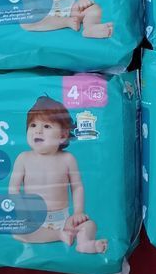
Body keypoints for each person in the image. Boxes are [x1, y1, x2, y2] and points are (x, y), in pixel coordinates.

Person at [8, 96, 108, 253]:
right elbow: (13, 188)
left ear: (62, 136)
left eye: (46, 126)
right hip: (34, 218)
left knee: (90, 225)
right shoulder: (23, 158)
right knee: (18, 231)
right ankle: (59, 235)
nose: (38, 130)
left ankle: (85, 243)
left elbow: (77, 187)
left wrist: (78, 212)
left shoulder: (67, 159)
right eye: (33, 125)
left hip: (63, 219)